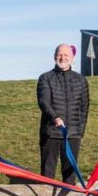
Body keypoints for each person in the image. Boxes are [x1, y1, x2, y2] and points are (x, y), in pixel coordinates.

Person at [37, 44, 89, 184]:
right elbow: (44, 101)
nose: (63, 58)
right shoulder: (45, 78)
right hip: (51, 134)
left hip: (72, 135)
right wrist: (55, 118)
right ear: (55, 57)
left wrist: (79, 131)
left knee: (70, 176)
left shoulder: (81, 80)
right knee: (47, 176)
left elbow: (84, 108)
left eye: (66, 55)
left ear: (72, 58)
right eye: (60, 54)